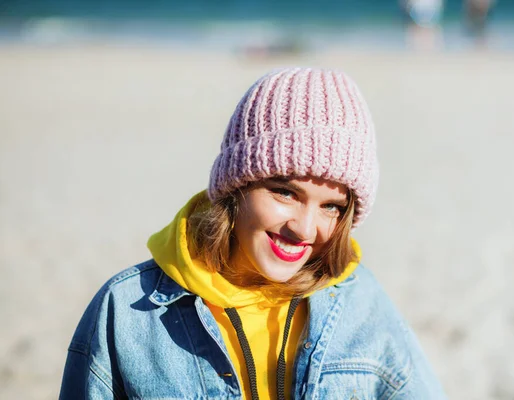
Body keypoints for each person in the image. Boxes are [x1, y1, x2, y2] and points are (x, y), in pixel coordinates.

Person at [59, 67, 447, 399]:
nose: (304, 228)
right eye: (285, 192)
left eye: (332, 206)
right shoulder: (127, 311)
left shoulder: (360, 303)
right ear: (236, 186)